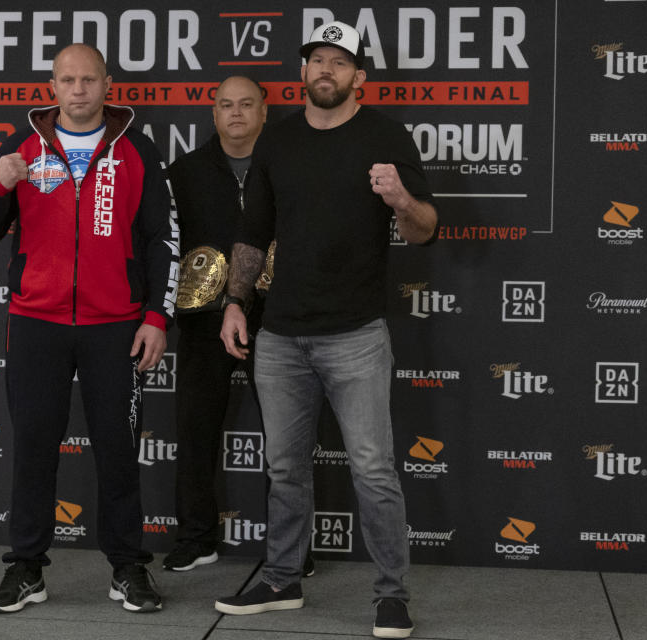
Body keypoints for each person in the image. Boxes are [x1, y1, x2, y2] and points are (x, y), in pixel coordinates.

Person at [214, 22, 438, 640]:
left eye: (339, 61)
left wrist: (400, 199)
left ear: (359, 76)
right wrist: (235, 302)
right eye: (317, 59)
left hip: (356, 336)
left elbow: (425, 229)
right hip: (281, 335)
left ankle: (392, 595)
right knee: (284, 467)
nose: (327, 70)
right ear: (303, 72)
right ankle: (282, 579)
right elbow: (253, 231)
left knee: (372, 469)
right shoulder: (278, 141)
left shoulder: (388, 138)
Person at [0, 43, 179, 614]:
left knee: (118, 449)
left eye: (88, 79)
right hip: (36, 322)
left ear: (107, 84)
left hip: (116, 325)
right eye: (67, 80)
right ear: (52, 87)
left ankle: (128, 567)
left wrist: (156, 316)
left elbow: (163, 239)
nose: (78, 90)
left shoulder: (136, 149)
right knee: (34, 447)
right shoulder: (20, 147)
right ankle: (27, 569)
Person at [162, 76, 267, 572]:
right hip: (204, 318)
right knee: (195, 429)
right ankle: (196, 538)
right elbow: (166, 245)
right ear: (214, 113)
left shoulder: (285, 165)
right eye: (227, 105)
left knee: (288, 436)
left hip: (278, 315)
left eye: (247, 105)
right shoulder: (184, 173)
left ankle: (292, 549)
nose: (237, 113)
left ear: (264, 112)